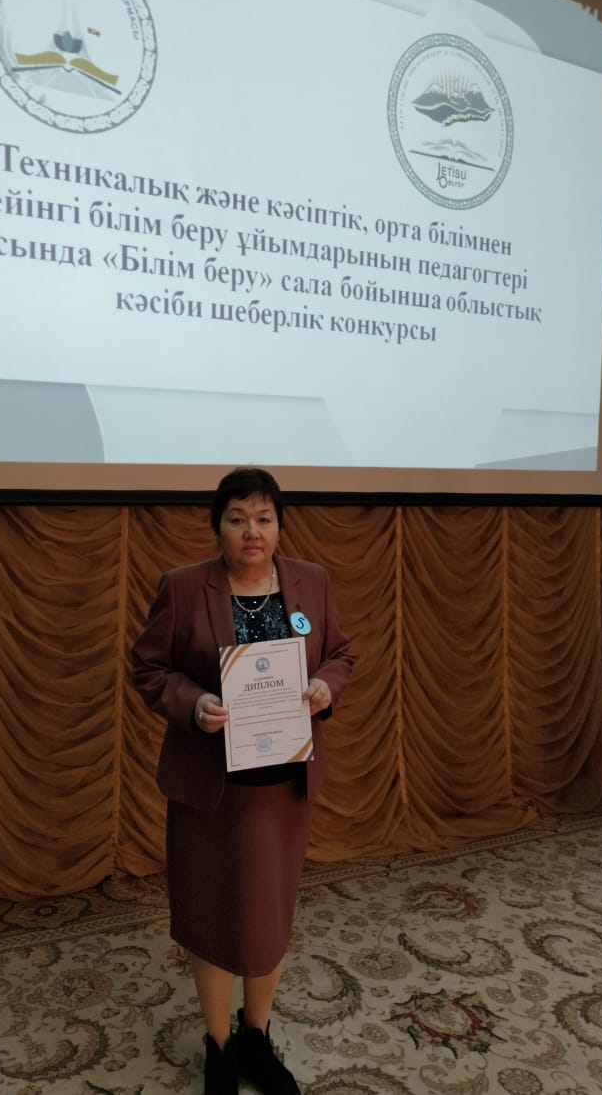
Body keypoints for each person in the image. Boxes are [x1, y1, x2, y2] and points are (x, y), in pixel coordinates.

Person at [132, 467, 354, 1095]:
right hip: (212, 787)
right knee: (212, 913)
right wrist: (194, 703)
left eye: (263, 519)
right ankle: (219, 1046)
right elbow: (149, 668)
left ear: (279, 527)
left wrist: (324, 686)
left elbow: (340, 655)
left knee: (267, 915)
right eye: (237, 519)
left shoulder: (312, 581)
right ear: (218, 527)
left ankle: (256, 1038)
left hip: (282, 786)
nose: (251, 532)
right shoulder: (183, 587)